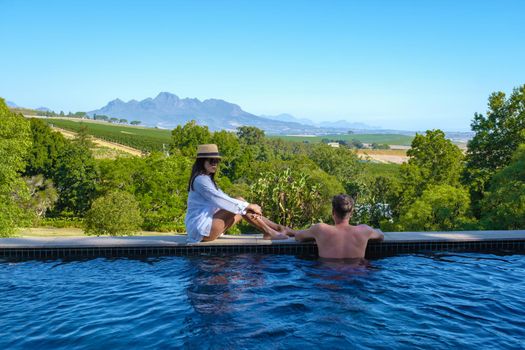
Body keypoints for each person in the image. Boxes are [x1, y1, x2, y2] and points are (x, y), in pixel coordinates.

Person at [185, 144, 289, 243]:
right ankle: (269, 231)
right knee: (240, 203)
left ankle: (278, 228)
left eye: (216, 161)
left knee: (241, 205)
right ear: (201, 162)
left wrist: (247, 206)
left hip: (208, 227)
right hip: (201, 230)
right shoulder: (200, 180)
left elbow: (225, 198)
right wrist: (248, 205)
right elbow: (220, 199)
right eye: (211, 161)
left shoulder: (207, 179)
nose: (214, 164)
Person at [282, 194, 384, 259]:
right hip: (356, 276)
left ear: (333, 212)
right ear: (352, 213)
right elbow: (381, 237)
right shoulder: (365, 230)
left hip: (329, 275)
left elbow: (298, 237)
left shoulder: (320, 229)